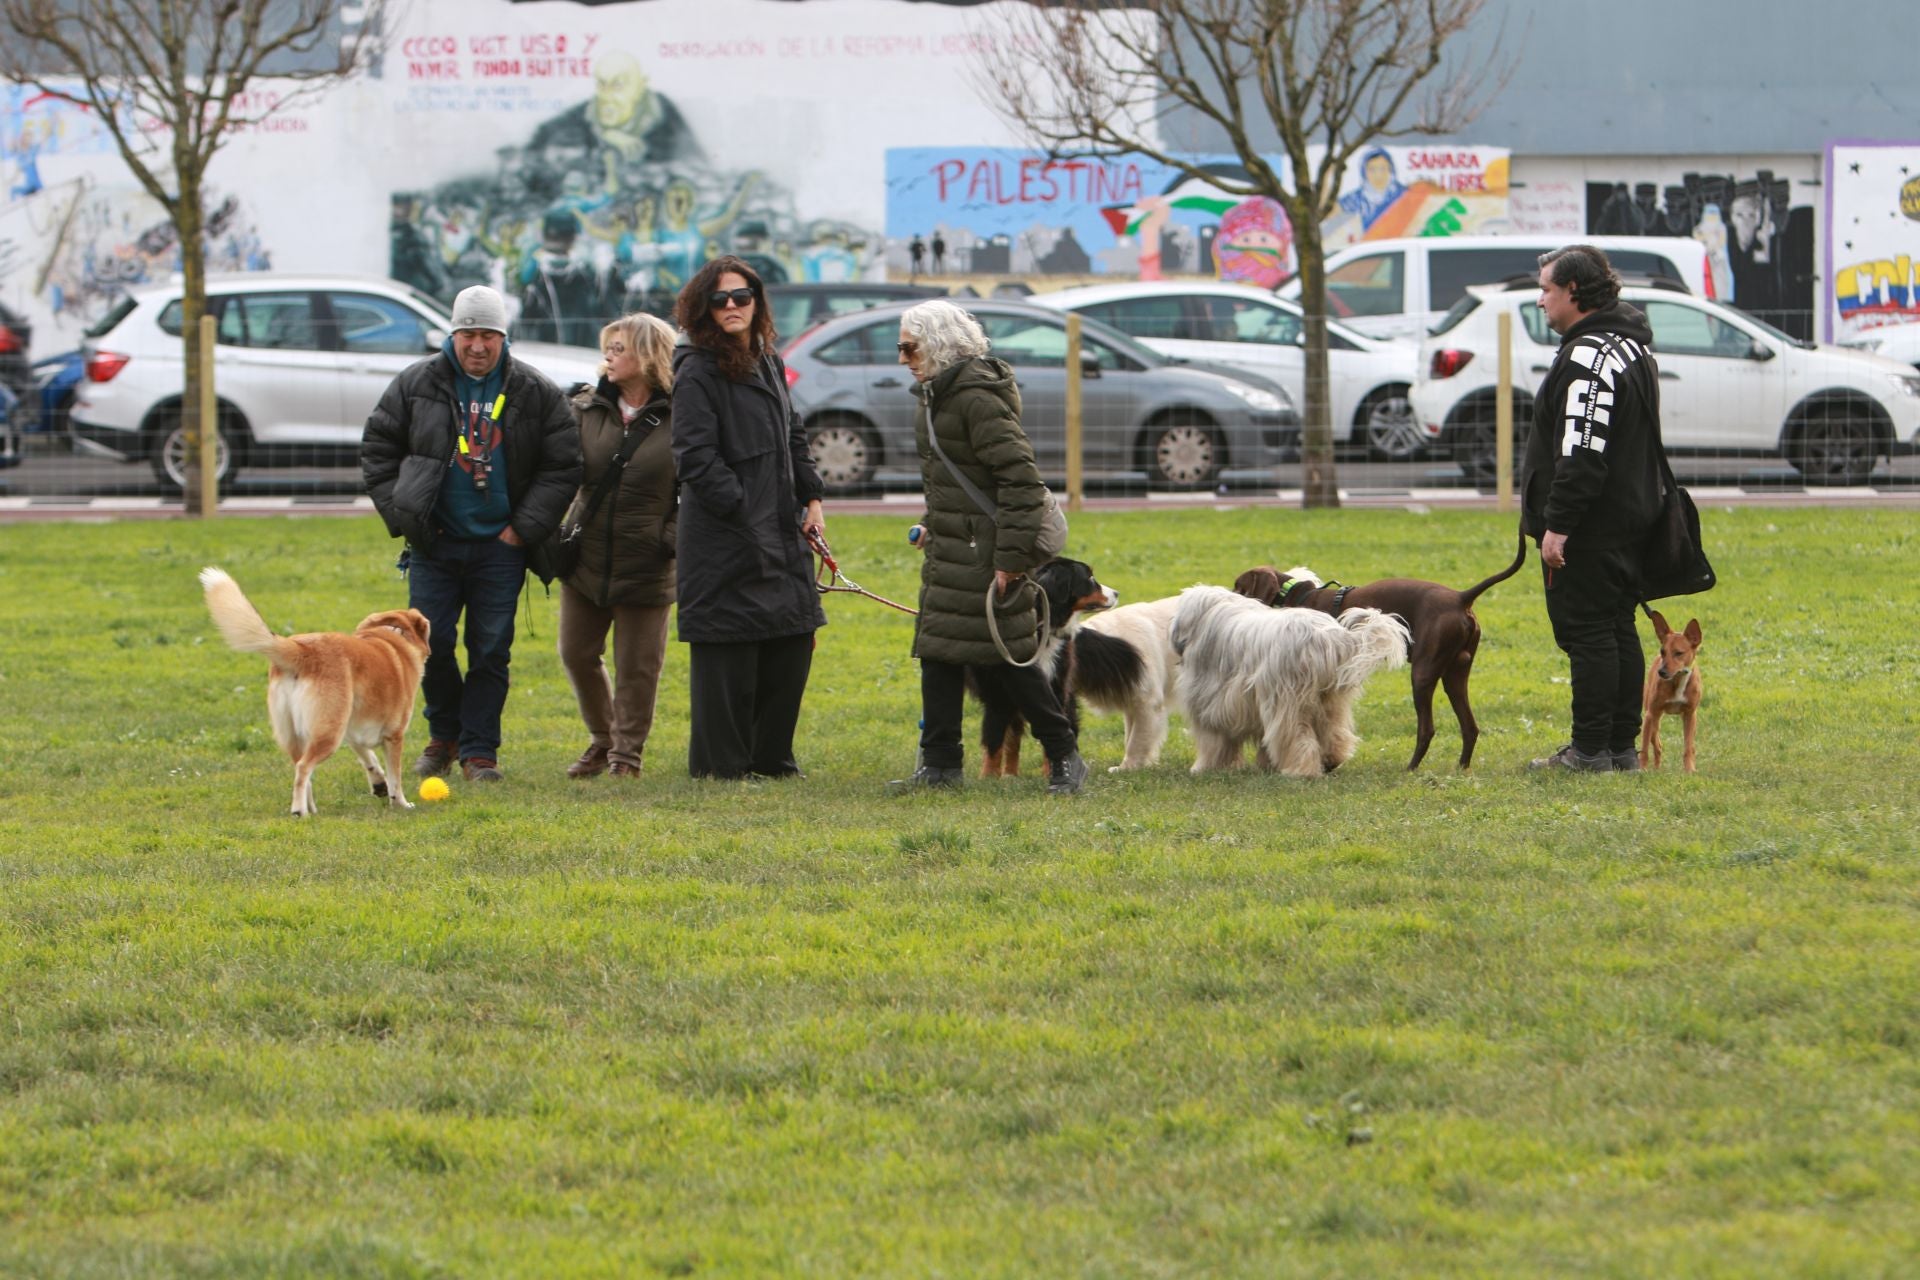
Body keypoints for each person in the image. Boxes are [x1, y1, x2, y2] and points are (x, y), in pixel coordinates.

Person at [361, 285, 582, 783]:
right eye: (467, 334)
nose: (477, 345)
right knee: (428, 647)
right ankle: (444, 735)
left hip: (500, 548)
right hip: (434, 544)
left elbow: (563, 466)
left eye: (488, 335)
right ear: (452, 336)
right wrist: (405, 516)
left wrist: (521, 531)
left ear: (504, 338)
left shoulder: (534, 391)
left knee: (490, 649)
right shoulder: (415, 384)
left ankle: (480, 750)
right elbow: (378, 449)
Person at [887, 299, 1088, 796]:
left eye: (908, 347)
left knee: (1009, 659)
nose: (902, 358)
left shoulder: (976, 398)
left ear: (937, 345)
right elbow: (952, 481)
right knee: (938, 654)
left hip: (990, 553)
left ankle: (1064, 757)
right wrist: (932, 523)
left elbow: (1020, 482)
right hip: (953, 550)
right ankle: (938, 767)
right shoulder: (935, 396)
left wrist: (1011, 561)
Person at [670, 256, 827, 780]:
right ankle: (723, 767)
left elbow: (794, 432)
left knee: (789, 641)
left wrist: (813, 499)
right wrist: (741, 506)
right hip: (725, 534)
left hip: (780, 526)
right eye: (720, 300)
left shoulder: (766, 358)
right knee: (728, 649)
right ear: (703, 309)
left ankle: (772, 760)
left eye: (742, 297)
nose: (732, 306)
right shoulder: (696, 368)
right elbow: (694, 456)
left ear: (757, 302)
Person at [1522, 246, 1666, 774]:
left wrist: (1558, 524)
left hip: (1593, 527)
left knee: (1587, 634)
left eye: (1546, 289)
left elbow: (1582, 453)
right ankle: (1620, 749)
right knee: (1616, 629)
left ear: (1574, 293)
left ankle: (1588, 752)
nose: (1540, 300)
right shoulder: (1629, 347)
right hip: (1632, 520)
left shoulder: (1589, 357)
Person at [557, 312, 679, 780]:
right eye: (606, 348)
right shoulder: (586, 409)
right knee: (576, 653)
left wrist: (666, 539)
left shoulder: (681, 415)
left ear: (648, 356)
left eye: (619, 348)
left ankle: (626, 756)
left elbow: (697, 488)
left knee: (637, 667)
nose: (608, 357)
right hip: (586, 558)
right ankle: (603, 739)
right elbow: (561, 474)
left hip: (647, 560)